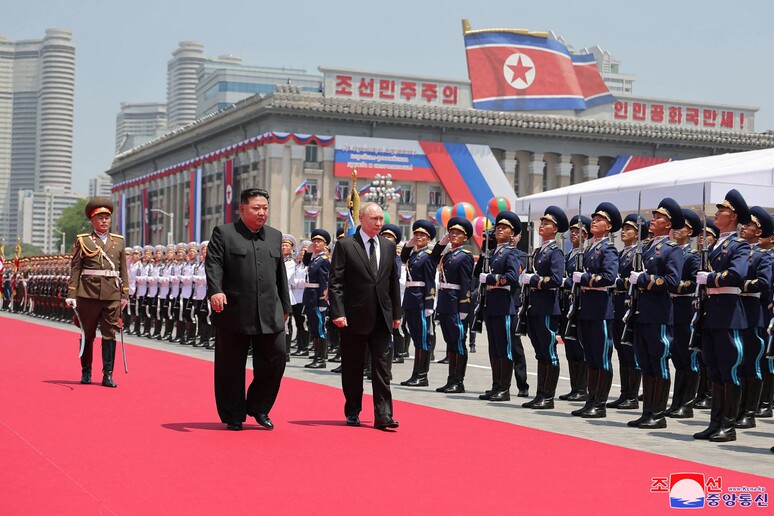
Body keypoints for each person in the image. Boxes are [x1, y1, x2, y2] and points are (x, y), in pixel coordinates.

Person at [205, 187, 291, 431]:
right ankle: (233, 414)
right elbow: (213, 265)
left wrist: (285, 306)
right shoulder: (224, 233)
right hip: (234, 310)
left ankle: (258, 406)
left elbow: (280, 275)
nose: (262, 212)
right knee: (230, 366)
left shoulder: (275, 236)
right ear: (242, 209)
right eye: (256, 208)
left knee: (276, 358)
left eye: (265, 208)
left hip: (269, 311)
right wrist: (216, 290)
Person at [328, 202, 402, 429]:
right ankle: (353, 410)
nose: (379, 223)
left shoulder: (388, 247)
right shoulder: (346, 245)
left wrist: (396, 313)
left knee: (382, 367)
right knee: (353, 367)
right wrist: (338, 312)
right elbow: (336, 282)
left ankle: (383, 415)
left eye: (381, 219)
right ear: (361, 219)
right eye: (374, 219)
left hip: (381, 316)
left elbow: (392, 283)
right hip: (353, 316)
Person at [693, 189, 750, 443]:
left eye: (722, 211)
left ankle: (728, 425)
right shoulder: (715, 244)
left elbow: (737, 275)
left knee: (729, 370)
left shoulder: (739, 245)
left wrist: (711, 278)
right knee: (714, 370)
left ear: (734, 216)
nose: (717, 214)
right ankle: (715, 422)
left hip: (728, 312)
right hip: (711, 311)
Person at [626, 198, 684, 430]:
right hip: (642, 313)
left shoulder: (672, 250)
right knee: (646, 363)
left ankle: (658, 414)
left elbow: (672, 281)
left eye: (659, 217)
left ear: (668, 224)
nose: (654, 219)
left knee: (658, 362)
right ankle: (647, 411)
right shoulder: (647, 247)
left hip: (658, 314)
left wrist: (643, 279)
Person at [65, 197, 130, 387]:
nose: (104, 221)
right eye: (100, 218)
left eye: (107, 218)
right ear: (92, 220)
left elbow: (123, 270)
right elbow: (76, 269)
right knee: (88, 334)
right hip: (88, 294)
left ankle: (107, 374)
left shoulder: (118, 242)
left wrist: (124, 293)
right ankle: (86, 372)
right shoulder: (83, 241)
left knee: (110, 334)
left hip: (111, 295)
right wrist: (71, 294)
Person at [570, 202, 621, 418]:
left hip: (600, 308)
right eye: (594, 218)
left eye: (600, 220)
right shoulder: (589, 248)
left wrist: (586, 278)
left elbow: (609, 278)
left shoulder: (608, 248)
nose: (594, 222)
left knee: (601, 357)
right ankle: (590, 400)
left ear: (608, 227)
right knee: (590, 357)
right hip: (586, 308)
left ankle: (599, 404)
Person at [520, 206, 568, 410]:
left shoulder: (555, 252)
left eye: (547, 223)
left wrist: (535, 280)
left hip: (547, 307)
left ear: (555, 229)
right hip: (535, 307)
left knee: (549, 351)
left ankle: (548, 396)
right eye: (542, 222)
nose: (542, 225)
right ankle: (540, 394)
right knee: (540, 352)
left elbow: (556, 279)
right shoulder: (539, 251)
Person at [734, 205, 772, 429]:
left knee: (752, 364)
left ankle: (749, 412)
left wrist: (739, 284)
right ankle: (737, 409)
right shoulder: (737, 251)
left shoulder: (763, 256)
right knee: (737, 364)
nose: (744, 228)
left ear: (759, 232)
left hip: (752, 313)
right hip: (735, 311)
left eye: (749, 226)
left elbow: (764, 282)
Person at [479, 210, 522, 402]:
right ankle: (496, 385)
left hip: (505, 305)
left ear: (512, 233)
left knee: (505, 348)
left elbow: (513, 278)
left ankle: (504, 388)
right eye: (498, 227)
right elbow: (476, 273)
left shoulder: (511, 253)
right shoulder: (492, 252)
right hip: (492, 304)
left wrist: (491, 278)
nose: (499, 230)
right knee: (494, 348)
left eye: (504, 228)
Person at [431, 217, 474, 394]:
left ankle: (458, 381)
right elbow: (433, 258)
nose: (453, 235)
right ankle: (451, 380)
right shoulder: (448, 254)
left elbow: (466, 282)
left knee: (458, 342)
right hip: (445, 302)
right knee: (450, 342)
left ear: (465, 237)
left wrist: (464, 306)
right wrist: (441, 243)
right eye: (451, 232)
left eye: (458, 233)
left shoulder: (465, 256)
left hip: (457, 302)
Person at [666, 209, 702, 418]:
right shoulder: (671, 251)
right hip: (671, 308)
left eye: (682, 228)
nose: (676, 231)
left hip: (685, 308)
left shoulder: (692, 255)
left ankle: (686, 403)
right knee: (677, 358)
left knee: (688, 359)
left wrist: (675, 286)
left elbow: (695, 281)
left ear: (689, 232)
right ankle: (677, 400)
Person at [609, 214, 647, 410]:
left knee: (631, 351)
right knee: (621, 351)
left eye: (629, 229)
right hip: (617, 304)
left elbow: (637, 280)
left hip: (630, 305)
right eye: (623, 228)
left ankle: (632, 395)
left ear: (638, 234)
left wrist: (618, 282)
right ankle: (625, 393)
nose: (624, 232)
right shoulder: (621, 253)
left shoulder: (640, 253)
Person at [399, 220, 440, 387]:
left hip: (422, 301)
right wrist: (409, 244)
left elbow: (430, 281)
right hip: (411, 299)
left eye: (422, 235)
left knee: (423, 339)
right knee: (416, 337)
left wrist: (429, 304)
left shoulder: (428, 256)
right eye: (416, 234)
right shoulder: (414, 255)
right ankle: (415, 373)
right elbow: (402, 257)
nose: (418, 237)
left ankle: (422, 375)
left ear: (429, 238)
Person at [559, 215, 591, 402]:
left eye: (577, 231)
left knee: (580, 348)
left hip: (579, 304)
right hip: (567, 304)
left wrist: (567, 282)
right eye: (571, 230)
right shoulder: (568, 255)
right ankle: (574, 387)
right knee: (570, 347)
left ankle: (582, 387)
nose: (573, 233)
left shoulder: (585, 254)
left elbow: (582, 278)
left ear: (585, 234)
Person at [302, 229, 331, 369]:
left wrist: (322, 300)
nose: (315, 243)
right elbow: (305, 262)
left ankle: (321, 358)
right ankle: (316, 356)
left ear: (325, 244)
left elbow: (324, 282)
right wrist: (308, 250)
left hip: (317, 297)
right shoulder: (314, 258)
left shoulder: (323, 260)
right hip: (309, 295)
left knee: (320, 327)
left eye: (319, 241)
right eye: (314, 241)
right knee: (313, 327)